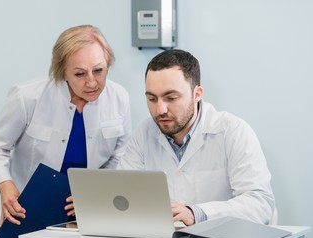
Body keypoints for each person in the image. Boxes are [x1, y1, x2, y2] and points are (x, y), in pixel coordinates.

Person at [0, 25, 132, 238]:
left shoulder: (119, 98)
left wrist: (96, 194)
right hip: (26, 210)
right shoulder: (28, 96)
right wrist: (5, 185)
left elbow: (120, 157)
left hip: (84, 213)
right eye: (80, 74)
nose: (92, 82)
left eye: (99, 70)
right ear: (62, 71)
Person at [117, 49, 275, 227]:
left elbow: (260, 203)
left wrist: (196, 213)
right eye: (152, 99)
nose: (160, 110)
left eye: (171, 97)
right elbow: (122, 194)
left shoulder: (232, 131)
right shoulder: (144, 132)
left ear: (197, 94)